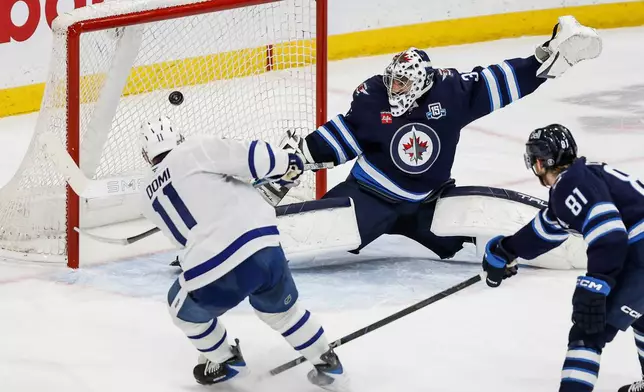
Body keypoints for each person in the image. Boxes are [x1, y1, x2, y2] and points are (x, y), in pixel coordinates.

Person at [278, 15, 602, 260]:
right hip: (370, 195)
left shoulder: (452, 93)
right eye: (393, 82)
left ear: (421, 83)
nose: (395, 89)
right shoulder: (372, 95)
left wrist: (544, 59)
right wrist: (300, 158)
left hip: (428, 202)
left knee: (459, 248)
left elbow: (499, 82)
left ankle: (570, 242)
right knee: (319, 242)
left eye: (402, 84)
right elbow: (345, 134)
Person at [137, 117, 347, 390]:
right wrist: (287, 162)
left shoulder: (145, 196)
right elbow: (251, 157)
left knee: (179, 308)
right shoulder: (195, 148)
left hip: (212, 266)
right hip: (264, 246)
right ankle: (327, 363)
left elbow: (184, 237)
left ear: (146, 156)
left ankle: (225, 359)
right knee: (283, 314)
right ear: (179, 138)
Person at [481, 124, 644, 392]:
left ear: (541, 161)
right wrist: (505, 250)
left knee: (588, 330)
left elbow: (610, 235)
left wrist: (598, 283)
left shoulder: (571, 185)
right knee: (640, 312)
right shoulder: (578, 181)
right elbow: (544, 231)